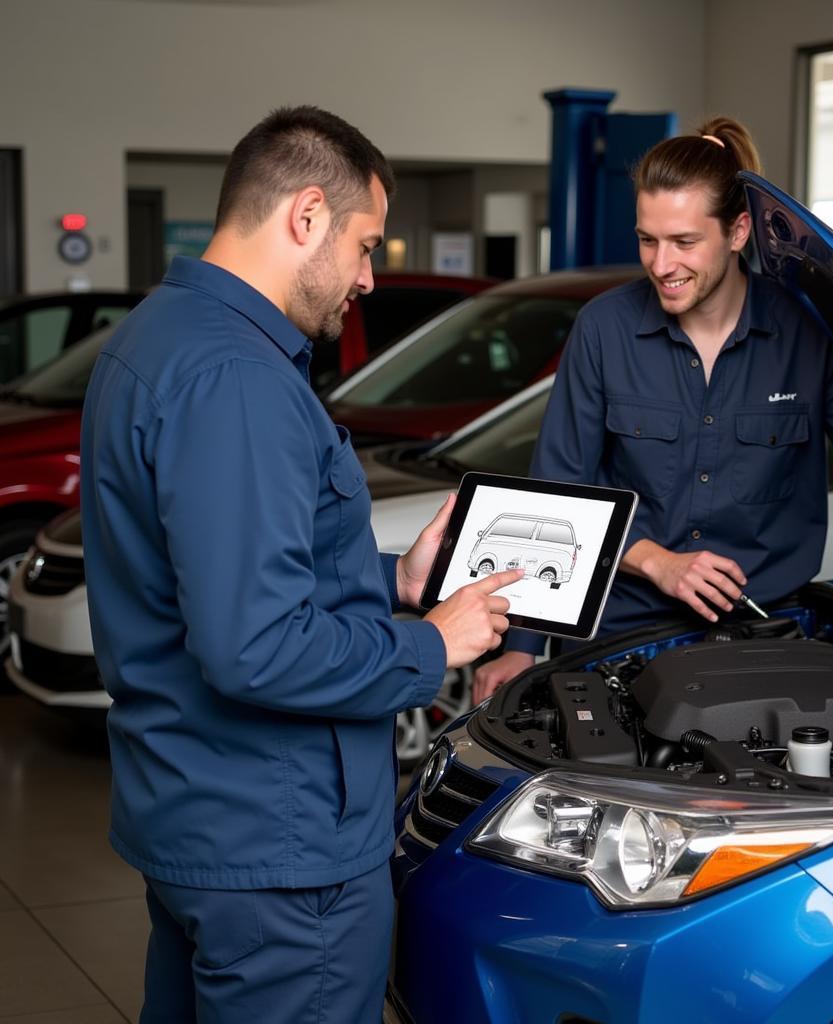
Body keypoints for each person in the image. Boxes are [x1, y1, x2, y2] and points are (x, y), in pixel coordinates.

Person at [80, 106, 520, 1024]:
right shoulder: (237, 377)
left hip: (193, 812)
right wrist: (429, 644)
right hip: (279, 852)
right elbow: (256, 648)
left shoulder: (156, 336)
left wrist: (393, 578)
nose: (367, 276)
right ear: (306, 215)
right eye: (365, 245)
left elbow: (221, 565)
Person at [473, 116, 833, 702]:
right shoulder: (604, 329)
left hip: (765, 640)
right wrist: (524, 647)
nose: (661, 264)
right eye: (648, 239)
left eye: (685, 242)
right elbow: (559, 496)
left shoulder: (809, 334)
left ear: (739, 231)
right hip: (618, 637)